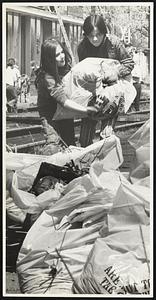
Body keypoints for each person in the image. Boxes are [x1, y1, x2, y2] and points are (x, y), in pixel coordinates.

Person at [77, 15, 135, 146]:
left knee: (106, 134)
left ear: (104, 32)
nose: (95, 39)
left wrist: (116, 72)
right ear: (85, 35)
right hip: (92, 93)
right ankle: (87, 162)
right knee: (84, 137)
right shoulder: (82, 47)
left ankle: (107, 163)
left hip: (112, 93)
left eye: (98, 34)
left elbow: (129, 63)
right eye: (91, 35)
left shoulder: (114, 43)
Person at [35, 38, 96, 148]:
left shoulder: (66, 69)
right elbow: (64, 101)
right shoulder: (47, 77)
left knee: (69, 144)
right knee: (53, 144)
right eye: (57, 55)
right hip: (51, 116)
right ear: (49, 59)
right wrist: (87, 110)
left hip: (65, 114)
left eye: (62, 52)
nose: (62, 56)